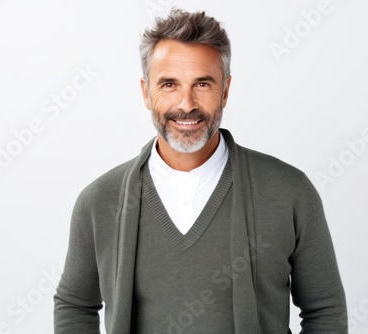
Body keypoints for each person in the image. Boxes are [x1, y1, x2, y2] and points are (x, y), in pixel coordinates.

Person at [54, 8, 347, 334]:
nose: (186, 104)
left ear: (225, 90)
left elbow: (325, 309)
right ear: (145, 93)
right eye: (169, 84)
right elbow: (75, 305)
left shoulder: (290, 192)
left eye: (202, 84)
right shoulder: (99, 202)